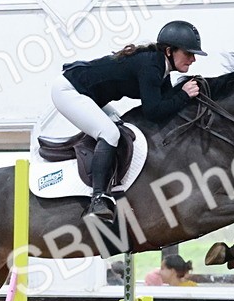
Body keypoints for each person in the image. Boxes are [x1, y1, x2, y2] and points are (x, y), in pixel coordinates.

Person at [51, 20, 206, 221]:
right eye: (188, 53)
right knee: (109, 133)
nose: (193, 59)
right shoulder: (151, 66)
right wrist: (184, 95)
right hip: (68, 90)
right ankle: (97, 199)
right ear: (169, 51)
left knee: (119, 125)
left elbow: (167, 106)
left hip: (89, 95)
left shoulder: (161, 68)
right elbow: (153, 111)